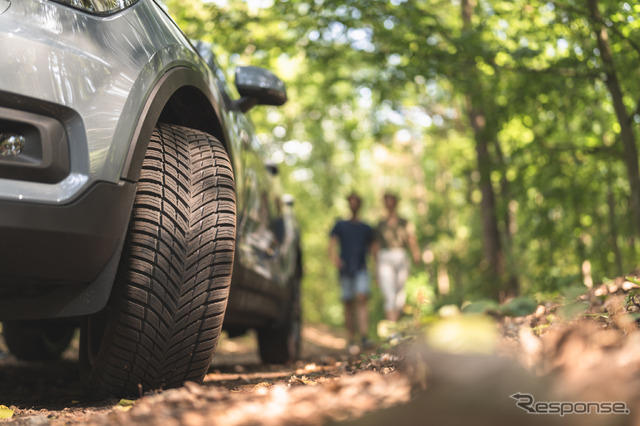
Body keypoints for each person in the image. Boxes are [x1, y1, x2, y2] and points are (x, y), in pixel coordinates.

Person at [328, 192, 375, 349]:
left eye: (356, 202)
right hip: (345, 268)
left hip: (361, 268)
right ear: (348, 204)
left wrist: (376, 268)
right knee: (348, 302)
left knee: (362, 298)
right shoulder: (340, 225)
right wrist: (335, 259)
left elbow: (373, 248)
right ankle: (351, 338)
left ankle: (364, 336)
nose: (354, 204)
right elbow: (332, 243)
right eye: (351, 202)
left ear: (360, 205)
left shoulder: (366, 228)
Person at [374, 192, 421, 322]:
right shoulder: (380, 224)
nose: (389, 204)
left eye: (391, 200)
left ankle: (397, 326)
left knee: (400, 295)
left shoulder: (404, 222)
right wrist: (375, 268)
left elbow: (411, 239)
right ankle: (393, 333)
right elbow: (375, 246)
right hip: (385, 258)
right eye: (386, 201)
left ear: (396, 203)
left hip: (401, 256)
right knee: (389, 294)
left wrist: (416, 255)